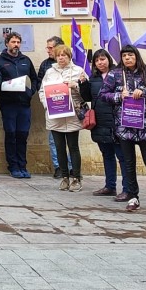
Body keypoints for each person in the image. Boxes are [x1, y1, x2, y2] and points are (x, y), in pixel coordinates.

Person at [100, 44, 146, 215]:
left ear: (136, 57)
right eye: (124, 56)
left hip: (144, 127)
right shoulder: (115, 74)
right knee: (129, 163)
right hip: (124, 127)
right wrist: (118, 96)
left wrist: (145, 92)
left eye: (130, 55)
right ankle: (133, 197)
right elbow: (103, 94)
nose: (127, 58)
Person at [39, 43, 90, 191]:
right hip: (55, 115)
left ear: (69, 56)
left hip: (72, 114)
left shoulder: (78, 71)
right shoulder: (49, 72)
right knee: (59, 147)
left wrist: (76, 85)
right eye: (59, 55)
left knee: (73, 147)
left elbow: (86, 93)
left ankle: (76, 178)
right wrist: (47, 105)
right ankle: (64, 177)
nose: (61, 58)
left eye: (64, 55)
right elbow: (42, 91)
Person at [0, 31, 38, 178]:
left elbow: (34, 78)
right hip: (8, 104)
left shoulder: (26, 60)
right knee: (11, 134)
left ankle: (23, 165)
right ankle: (13, 166)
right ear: (7, 43)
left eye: (18, 42)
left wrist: (31, 92)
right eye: (13, 42)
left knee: (22, 135)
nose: (16, 45)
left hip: (24, 104)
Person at [87, 48, 124, 197]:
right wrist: (82, 84)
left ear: (108, 59)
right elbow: (87, 97)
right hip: (100, 121)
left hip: (116, 120)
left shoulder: (119, 75)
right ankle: (110, 186)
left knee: (122, 156)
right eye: (97, 60)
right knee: (107, 155)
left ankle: (127, 188)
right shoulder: (93, 78)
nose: (100, 62)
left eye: (102, 59)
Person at [38, 36, 63, 178]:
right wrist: (45, 102)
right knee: (54, 139)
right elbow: (39, 85)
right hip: (52, 107)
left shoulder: (74, 66)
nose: (48, 50)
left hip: (69, 109)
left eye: (50, 47)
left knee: (70, 141)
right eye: (47, 47)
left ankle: (72, 168)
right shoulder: (45, 66)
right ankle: (58, 167)